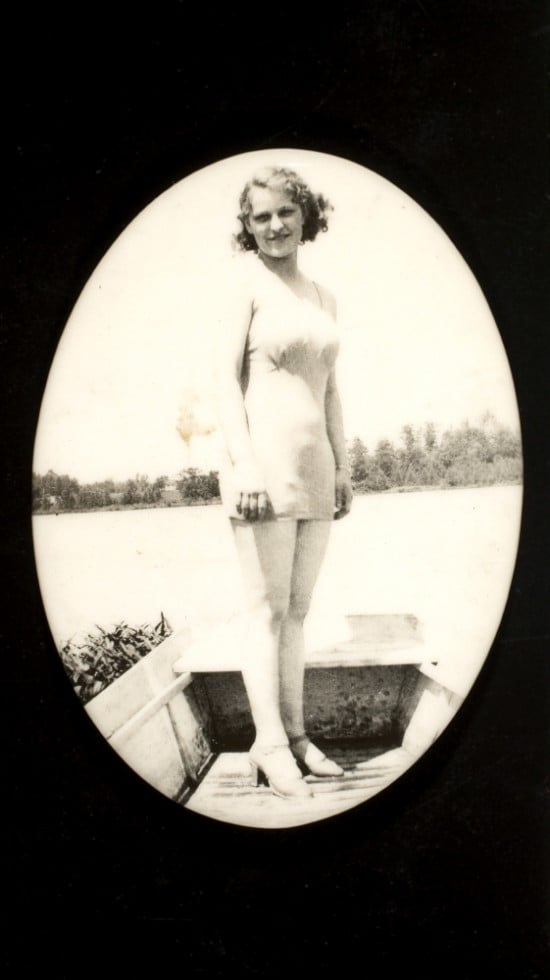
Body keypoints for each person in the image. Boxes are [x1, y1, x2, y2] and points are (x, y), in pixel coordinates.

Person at [214, 166, 353, 800]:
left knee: (297, 613)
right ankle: (268, 747)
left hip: (315, 467)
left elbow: (331, 388)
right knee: (265, 613)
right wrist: (242, 463)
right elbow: (222, 382)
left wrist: (344, 464)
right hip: (260, 471)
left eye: (285, 213)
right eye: (260, 216)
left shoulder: (324, 296)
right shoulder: (242, 286)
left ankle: (295, 737)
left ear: (305, 216)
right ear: (247, 225)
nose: (274, 226)